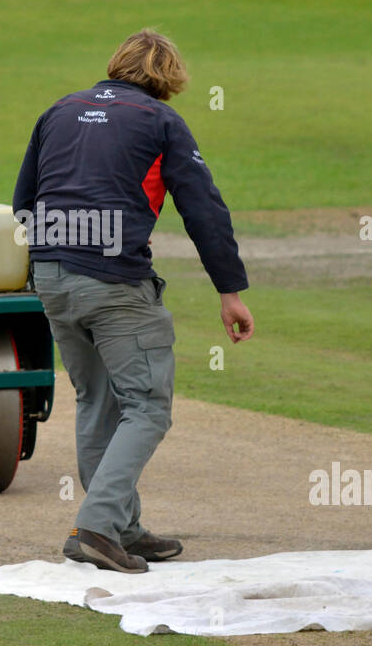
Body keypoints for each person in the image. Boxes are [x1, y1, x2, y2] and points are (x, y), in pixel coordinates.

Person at [13, 28, 255, 574]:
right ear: (167, 79)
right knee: (146, 406)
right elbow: (204, 211)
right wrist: (230, 291)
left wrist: (52, 260)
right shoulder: (161, 121)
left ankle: (122, 527)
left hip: (50, 275)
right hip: (114, 284)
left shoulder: (58, 111)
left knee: (99, 402)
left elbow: (22, 200)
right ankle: (97, 527)